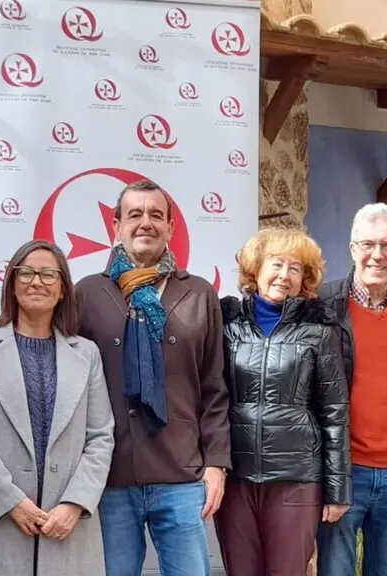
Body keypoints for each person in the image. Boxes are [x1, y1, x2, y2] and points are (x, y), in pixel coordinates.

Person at [75, 179, 231, 576]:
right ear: (116, 225)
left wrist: (215, 464)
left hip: (182, 474)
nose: (146, 222)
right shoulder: (87, 293)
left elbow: (214, 388)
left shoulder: (198, 294)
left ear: (170, 227)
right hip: (111, 477)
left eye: (156, 215)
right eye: (135, 214)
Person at [0, 239, 115, 575]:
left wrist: (75, 503)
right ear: (11, 283)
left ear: (64, 289)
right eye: (26, 273)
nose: (36, 282)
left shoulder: (87, 353)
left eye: (48, 275)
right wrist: (10, 501)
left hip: (66, 526)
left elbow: (100, 436)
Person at [215, 228, 349, 576]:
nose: (284, 275)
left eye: (295, 268)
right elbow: (209, 399)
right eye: (277, 264)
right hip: (236, 478)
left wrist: (337, 489)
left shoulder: (319, 331)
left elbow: (335, 412)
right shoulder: (226, 325)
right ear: (255, 269)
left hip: (297, 479)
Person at [316, 203, 387, 576]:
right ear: (352, 249)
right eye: (368, 244)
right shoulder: (325, 307)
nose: (377, 255)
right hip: (343, 471)